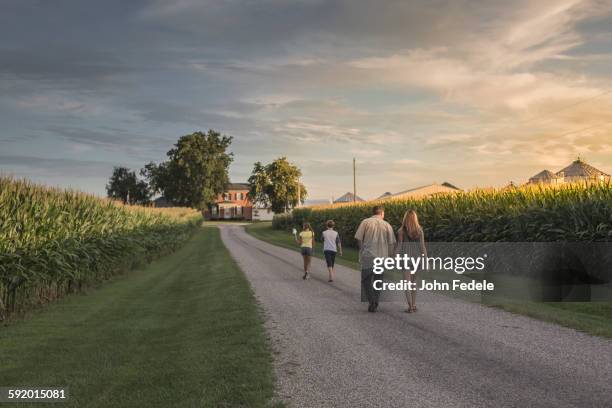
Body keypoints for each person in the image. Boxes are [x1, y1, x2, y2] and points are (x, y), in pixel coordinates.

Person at [354, 205, 396, 312]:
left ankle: (372, 300)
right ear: (382, 213)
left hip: (368, 255)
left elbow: (359, 238)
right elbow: (391, 243)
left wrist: (362, 249)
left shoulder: (365, 222)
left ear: (373, 212)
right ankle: (375, 300)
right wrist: (391, 256)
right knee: (378, 280)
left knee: (366, 279)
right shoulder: (387, 225)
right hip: (381, 257)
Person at [396, 210, 427, 313]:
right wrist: (425, 260)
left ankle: (410, 306)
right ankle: (413, 304)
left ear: (405, 219)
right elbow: (422, 247)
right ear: (415, 219)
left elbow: (400, 246)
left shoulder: (401, 231)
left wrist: (394, 256)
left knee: (406, 283)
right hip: (417, 259)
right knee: (414, 283)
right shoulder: (419, 231)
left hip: (406, 259)